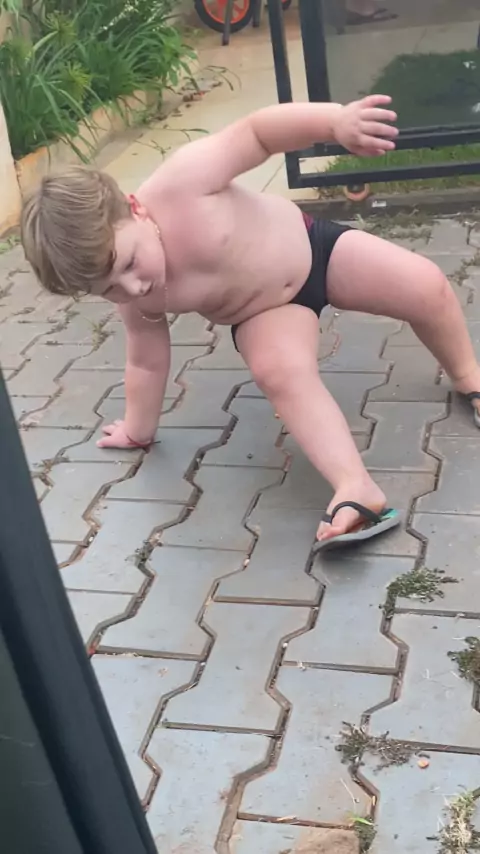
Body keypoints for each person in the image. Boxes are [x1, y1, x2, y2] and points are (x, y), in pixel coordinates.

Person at [21, 95, 480, 550]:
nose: (133, 287)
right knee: (280, 373)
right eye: (109, 290)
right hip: (264, 313)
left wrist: (335, 122)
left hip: (315, 251)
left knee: (425, 285)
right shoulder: (139, 298)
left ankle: (469, 377)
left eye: (129, 263)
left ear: (135, 208)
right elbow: (146, 361)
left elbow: (257, 133)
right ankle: (356, 489)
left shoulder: (182, 184)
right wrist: (137, 430)